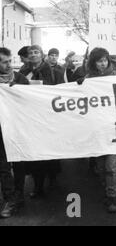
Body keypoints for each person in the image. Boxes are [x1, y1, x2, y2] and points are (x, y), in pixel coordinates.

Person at [20, 45, 65, 198]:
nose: (33, 55)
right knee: (35, 154)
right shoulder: (22, 72)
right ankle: (38, 186)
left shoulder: (55, 73)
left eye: (36, 52)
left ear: (41, 54)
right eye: (30, 53)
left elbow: (61, 93)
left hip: (48, 117)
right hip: (31, 118)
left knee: (50, 153)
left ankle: (52, 181)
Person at [83, 48, 116, 213]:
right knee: (100, 166)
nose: (103, 63)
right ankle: (106, 189)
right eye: (99, 61)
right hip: (97, 130)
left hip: (114, 128)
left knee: (112, 167)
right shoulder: (87, 79)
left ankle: (112, 197)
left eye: (105, 60)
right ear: (93, 62)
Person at [0, 48, 28, 219]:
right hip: (0, 131)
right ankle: (9, 199)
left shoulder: (20, 79)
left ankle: (18, 195)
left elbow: (30, 102)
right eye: (5, 62)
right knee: (3, 166)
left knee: (19, 165)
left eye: (10, 61)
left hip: (18, 129)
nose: (9, 65)